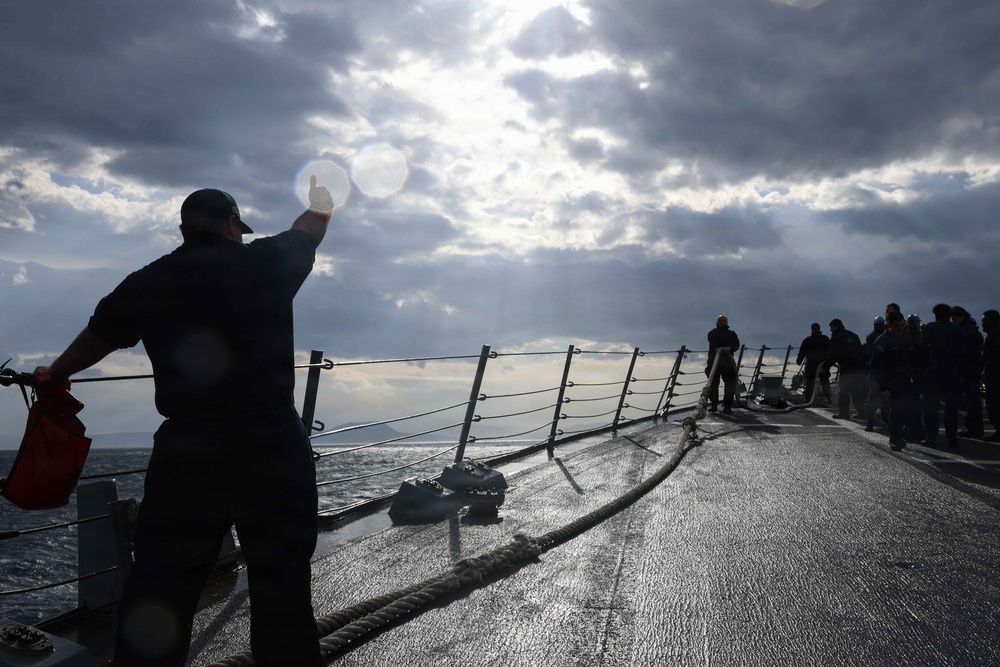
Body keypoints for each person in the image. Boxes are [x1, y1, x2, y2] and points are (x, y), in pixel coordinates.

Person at [36, 178, 335, 667]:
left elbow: (98, 337)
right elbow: (309, 231)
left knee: (161, 585)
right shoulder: (266, 262)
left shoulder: (148, 281)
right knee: (280, 581)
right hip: (270, 441)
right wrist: (322, 202)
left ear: (184, 228)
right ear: (231, 224)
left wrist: (55, 374)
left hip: (189, 445)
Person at [871, 311, 920, 450]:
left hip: (908, 379)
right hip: (892, 380)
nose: (899, 328)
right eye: (897, 325)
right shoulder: (882, 341)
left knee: (909, 409)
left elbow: (916, 352)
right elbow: (878, 366)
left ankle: (904, 434)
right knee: (897, 409)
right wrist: (883, 387)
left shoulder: (906, 337)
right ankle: (895, 437)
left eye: (901, 325)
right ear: (889, 325)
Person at [920, 303, 963, 449]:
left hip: (934, 372)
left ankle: (931, 437)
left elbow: (923, 348)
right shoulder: (957, 330)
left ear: (935, 314)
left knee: (930, 408)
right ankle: (952, 439)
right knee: (952, 408)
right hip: (953, 373)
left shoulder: (930, 327)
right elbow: (965, 352)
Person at [823, 319, 867, 420]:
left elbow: (833, 355)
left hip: (847, 368)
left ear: (836, 326)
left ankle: (844, 413)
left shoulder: (836, 338)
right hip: (858, 368)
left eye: (831, 328)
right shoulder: (853, 335)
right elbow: (861, 351)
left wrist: (825, 367)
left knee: (844, 392)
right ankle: (862, 412)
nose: (831, 330)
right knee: (857, 391)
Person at [952, 305, 985, 438]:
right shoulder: (973, 331)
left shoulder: (966, 332)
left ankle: (974, 428)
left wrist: (960, 371)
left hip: (969, 370)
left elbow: (965, 354)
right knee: (972, 399)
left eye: (955, 318)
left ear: (962, 316)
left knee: (972, 400)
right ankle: (974, 427)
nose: (954, 321)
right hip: (972, 369)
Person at [706, 315, 740, 415]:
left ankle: (727, 407)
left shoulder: (732, 334)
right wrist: (721, 348)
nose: (722, 322)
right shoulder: (712, 333)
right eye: (720, 320)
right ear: (716, 322)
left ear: (727, 322)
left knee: (730, 385)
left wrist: (730, 348)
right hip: (714, 362)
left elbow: (736, 345)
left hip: (728, 363)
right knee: (713, 384)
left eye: (724, 321)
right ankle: (713, 405)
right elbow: (713, 343)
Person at [796, 323, 832, 404]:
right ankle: (829, 398)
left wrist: (799, 360)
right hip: (823, 364)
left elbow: (802, 352)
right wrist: (829, 362)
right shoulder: (825, 339)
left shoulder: (808, 340)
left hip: (811, 364)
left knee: (810, 381)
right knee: (825, 381)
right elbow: (830, 350)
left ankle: (808, 398)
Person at [982, 309, 1000, 443]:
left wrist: (985, 370)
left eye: (984, 319)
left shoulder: (995, 334)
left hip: (995, 374)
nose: (982, 322)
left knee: (994, 403)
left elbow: (993, 356)